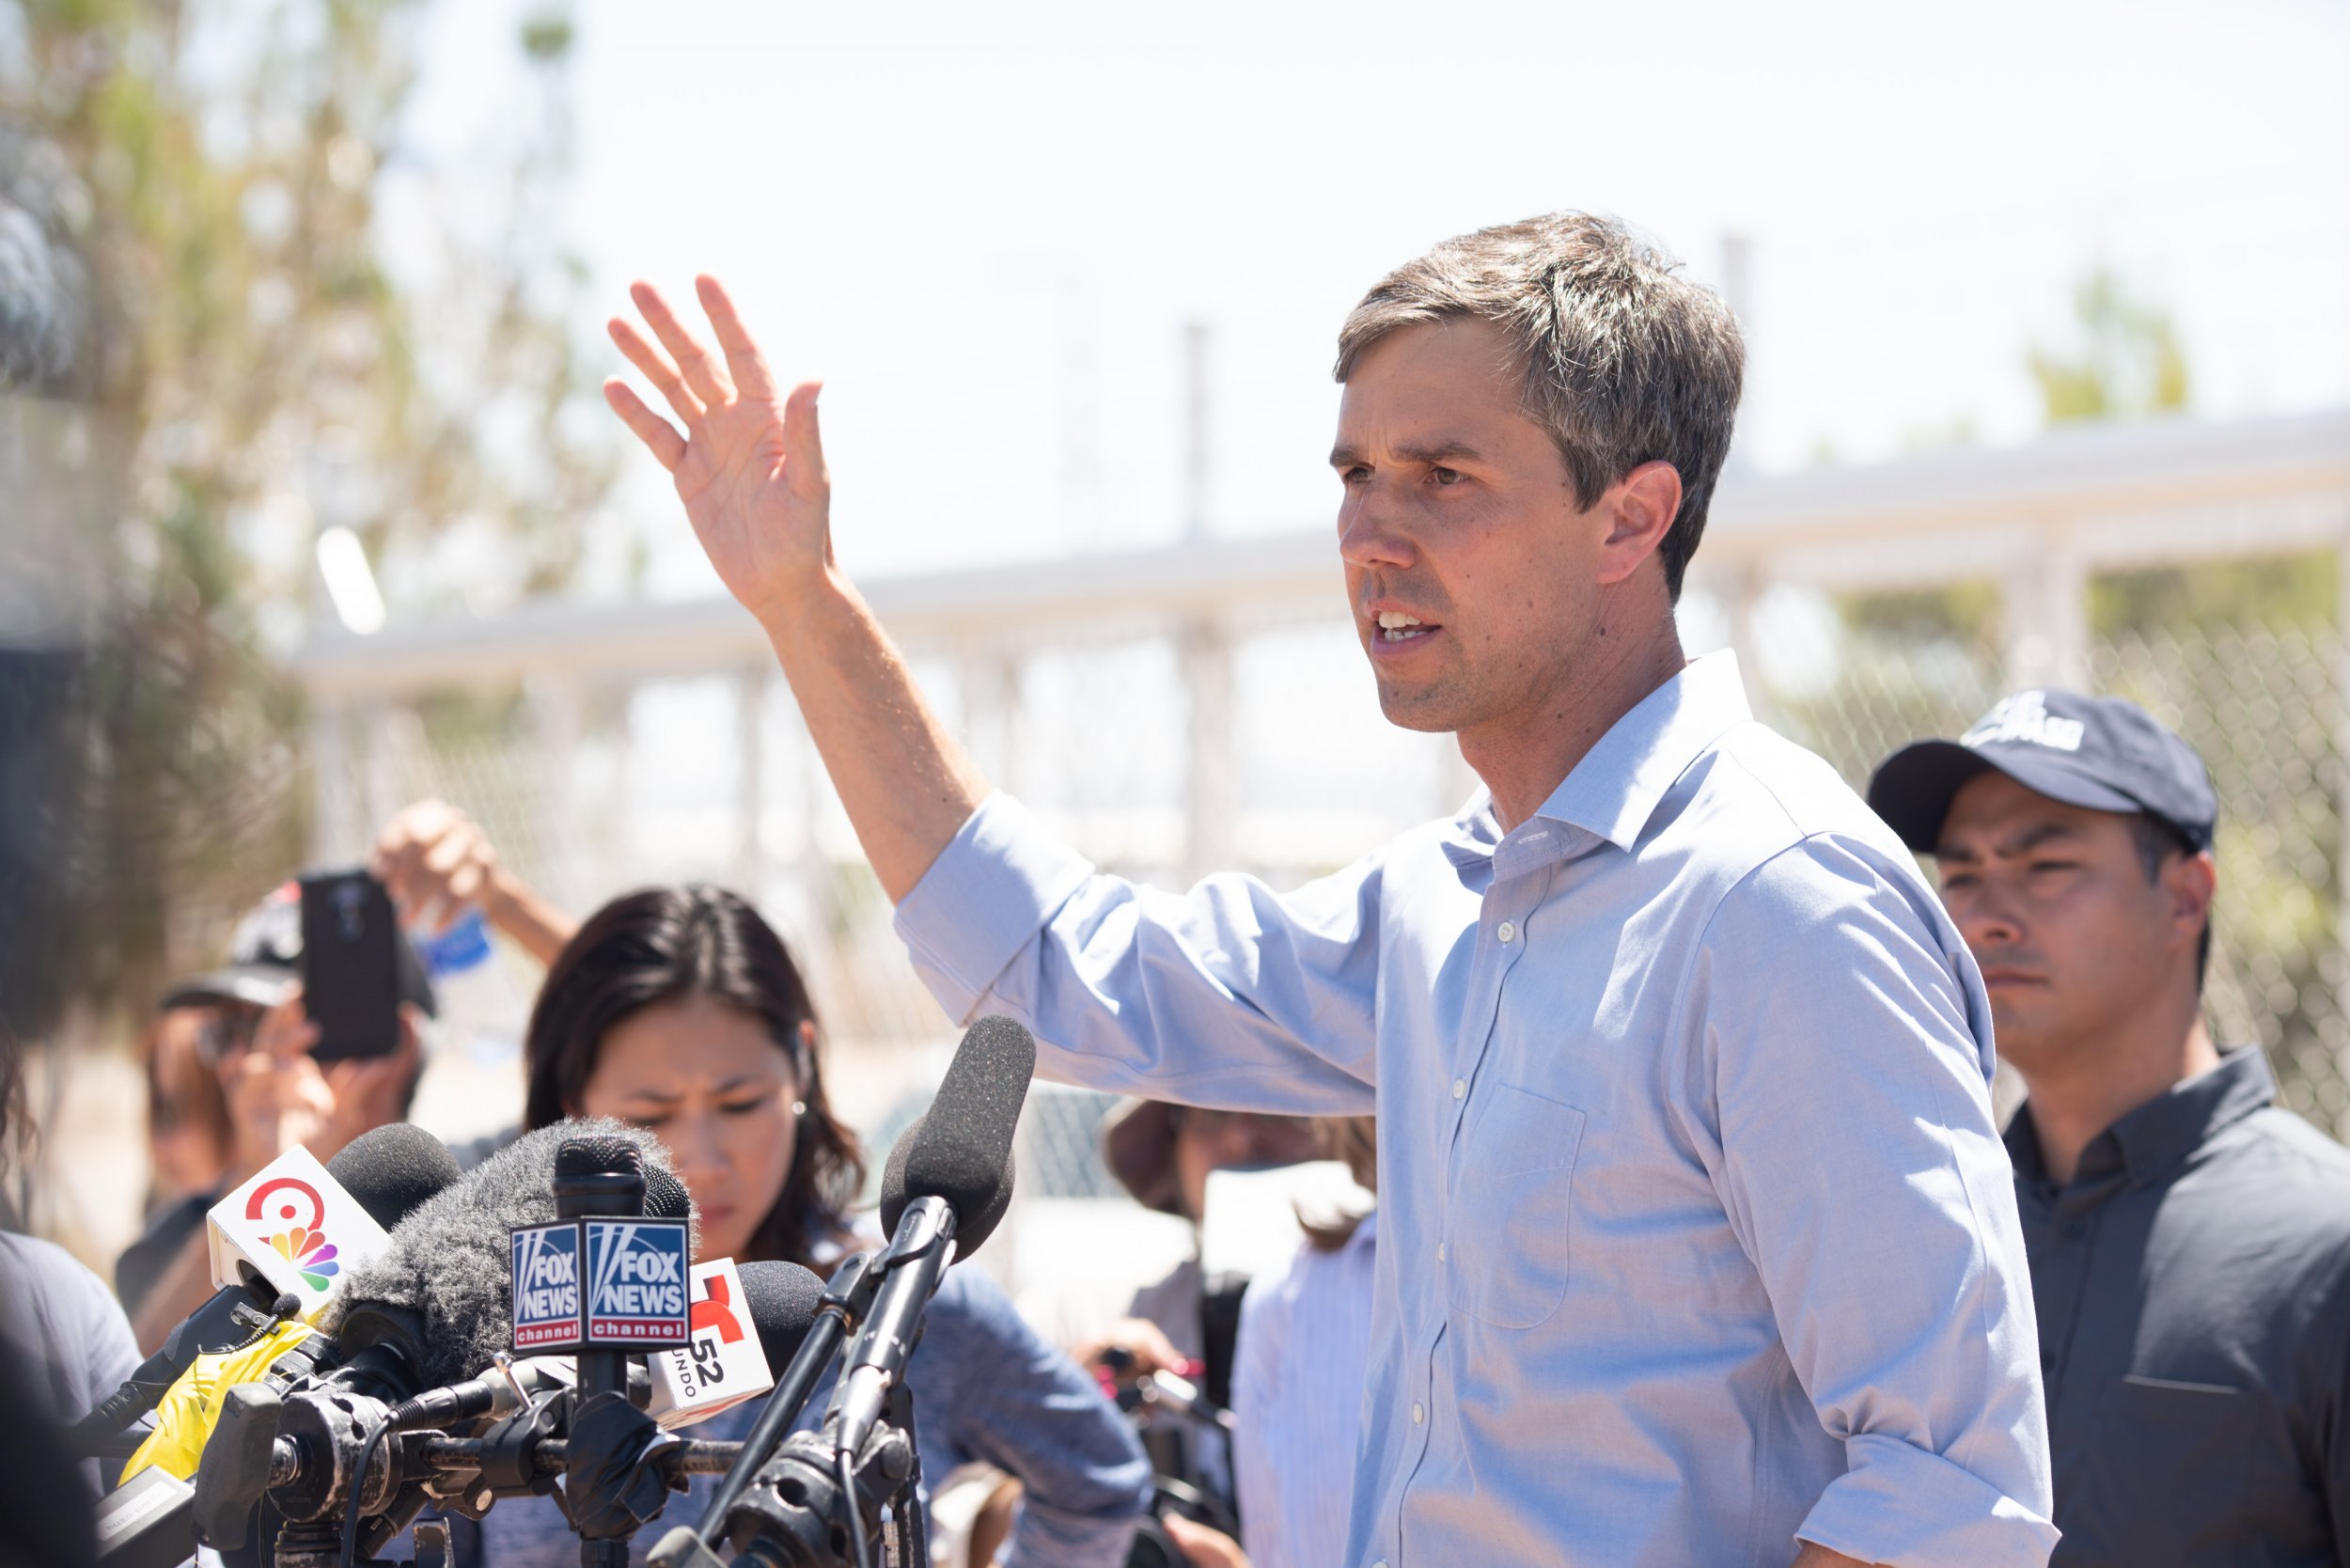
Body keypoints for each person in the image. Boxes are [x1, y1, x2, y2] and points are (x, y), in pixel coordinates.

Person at [602, 212, 2054, 1566]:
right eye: (1356, 475)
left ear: (1631, 518)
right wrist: (803, 603)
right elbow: (1052, 973)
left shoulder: (1783, 904)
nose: (1372, 534)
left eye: (1445, 476)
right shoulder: (1440, 902)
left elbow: (1949, 1489)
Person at [456, 884, 1151, 1567]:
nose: (702, 1157)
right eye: (652, 1114)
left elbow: (1099, 1484)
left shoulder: (905, 1304)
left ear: (802, 1067)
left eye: (739, 1102)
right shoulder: (492, 1327)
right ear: (576, 1109)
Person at [1868, 690, 2350, 1566]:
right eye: (1962, 876)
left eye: (2045, 865)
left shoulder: (2326, 1247)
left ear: (2185, 897)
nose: (1987, 916)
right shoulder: (1925, 1225)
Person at [115, 882, 434, 1345]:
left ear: (394, 1043)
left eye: (283, 1025)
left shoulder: (474, 1190)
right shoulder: (186, 1233)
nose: (241, 1063)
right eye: (228, 1032)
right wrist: (267, 1180)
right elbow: (135, 1387)